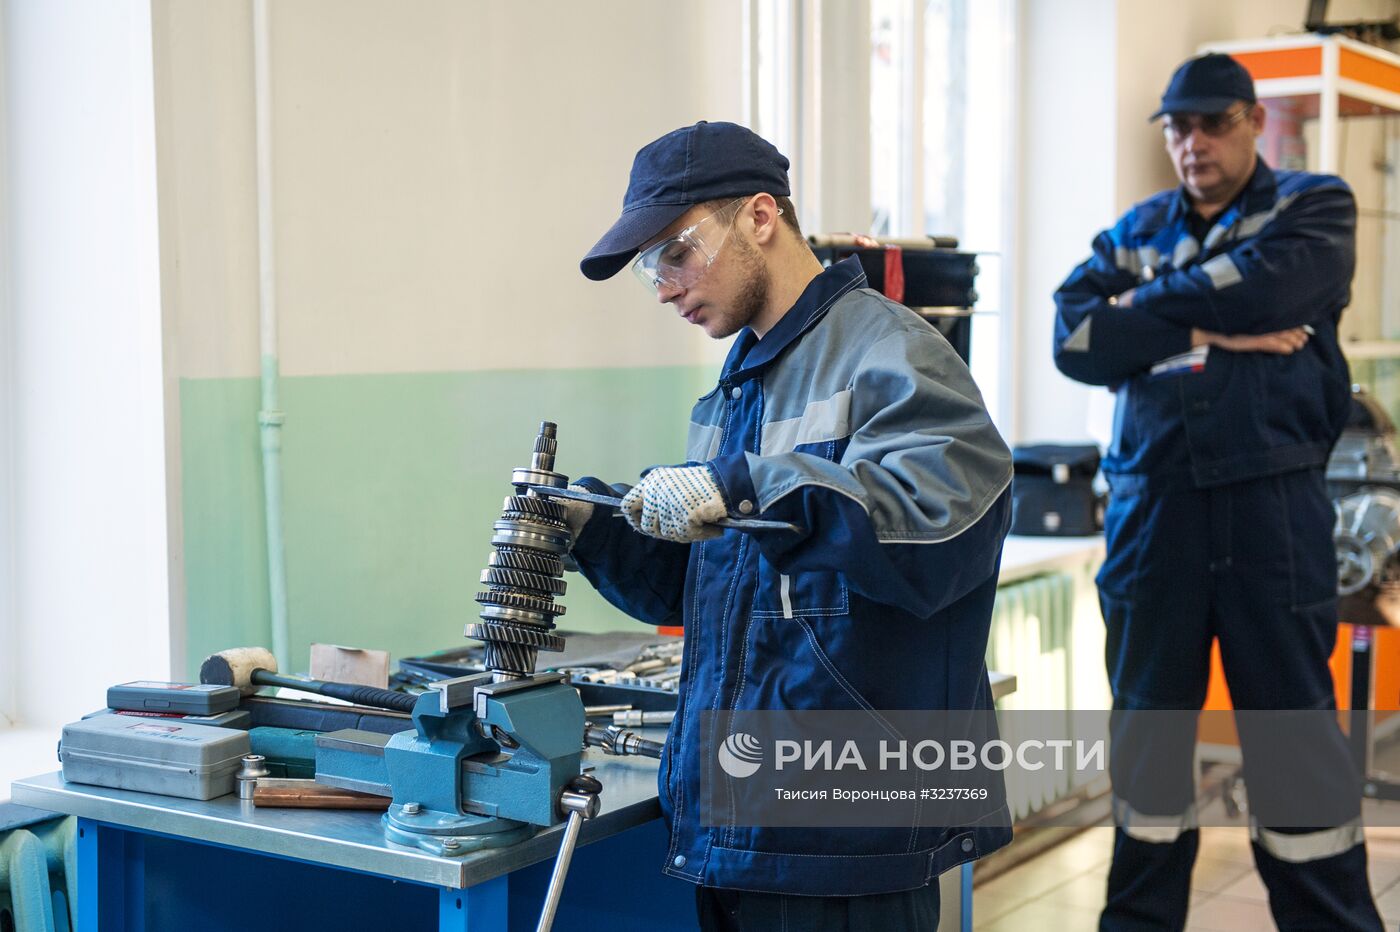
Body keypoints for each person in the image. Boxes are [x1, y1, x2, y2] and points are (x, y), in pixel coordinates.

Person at [565, 120, 1014, 930]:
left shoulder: (893, 352)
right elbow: (712, 582)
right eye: (649, 270)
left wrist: (746, 487)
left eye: (676, 251)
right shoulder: (738, 390)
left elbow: (940, 537)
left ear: (761, 218)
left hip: (844, 838)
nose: (664, 285)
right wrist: (590, 529)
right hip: (740, 832)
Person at [1053, 53, 1383, 930]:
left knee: (1292, 743)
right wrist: (1207, 319)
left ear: (1249, 123)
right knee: (1149, 748)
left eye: (1210, 123)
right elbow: (1072, 338)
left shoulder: (1311, 207)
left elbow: (1280, 283)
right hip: (1149, 516)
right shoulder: (1135, 226)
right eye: (1176, 126)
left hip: (1271, 511)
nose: (1190, 142)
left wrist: (1145, 314)